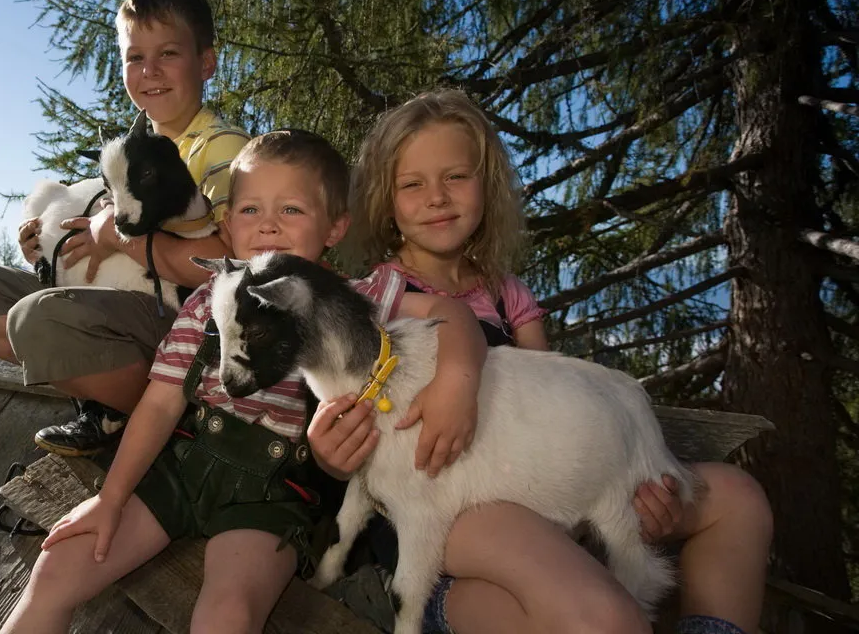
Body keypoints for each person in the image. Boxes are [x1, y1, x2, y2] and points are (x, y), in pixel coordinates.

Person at [310, 89, 774, 634]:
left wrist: (643, 489)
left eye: (455, 177)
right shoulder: (373, 298)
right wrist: (333, 456)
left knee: (738, 500)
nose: (436, 197)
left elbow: (553, 402)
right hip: (449, 515)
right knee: (604, 617)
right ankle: (426, 604)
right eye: (412, 184)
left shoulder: (508, 298)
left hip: (535, 495)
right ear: (385, 203)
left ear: (488, 185)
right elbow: (344, 420)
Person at [0, 129, 488, 634]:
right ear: (228, 223)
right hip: (183, 467)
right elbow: (162, 402)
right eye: (251, 210)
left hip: (271, 497)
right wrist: (112, 497)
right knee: (55, 568)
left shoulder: (346, 299)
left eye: (292, 211)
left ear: (335, 227)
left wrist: (457, 380)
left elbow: (448, 311)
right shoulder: (208, 297)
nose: (269, 225)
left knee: (228, 615)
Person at [0, 0, 250, 456]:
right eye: (134, 57)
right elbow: (100, 229)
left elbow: (235, 265)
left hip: (181, 324)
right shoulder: (133, 144)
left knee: (36, 321)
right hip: (114, 306)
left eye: (167, 53)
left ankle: (167, 415)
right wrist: (49, 249)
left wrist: (119, 240)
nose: (149, 71)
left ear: (205, 62)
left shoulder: (223, 150)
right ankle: (108, 402)